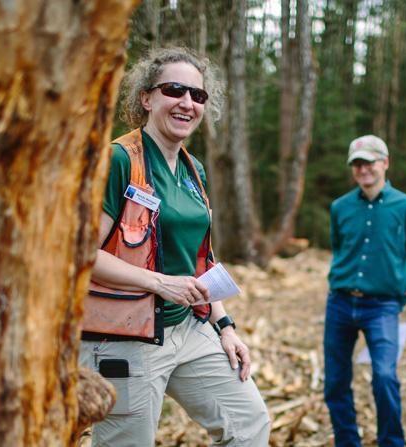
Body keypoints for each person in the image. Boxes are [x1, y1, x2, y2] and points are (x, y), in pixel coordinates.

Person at [78, 47, 270, 446]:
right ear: (146, 98)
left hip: (189, 327)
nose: (187, 103)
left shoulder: (193, 169)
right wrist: (159, 283)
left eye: (197, 95)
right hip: (125, 335)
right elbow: (80, 257)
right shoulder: (117, 160)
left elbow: (202, 260)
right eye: (174, 90)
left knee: (249, 424)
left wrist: (225, 326)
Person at [324, 135, 406, 447]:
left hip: (382, 306)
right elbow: (339, 247)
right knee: (336, 381)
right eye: (357, 164)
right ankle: (347, 440)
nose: (363, 169)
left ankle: (391, 441)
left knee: (384, 376)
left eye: (369, 162)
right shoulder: (340, 207)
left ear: (385, 163)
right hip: (340, 303)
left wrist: (398, 294)